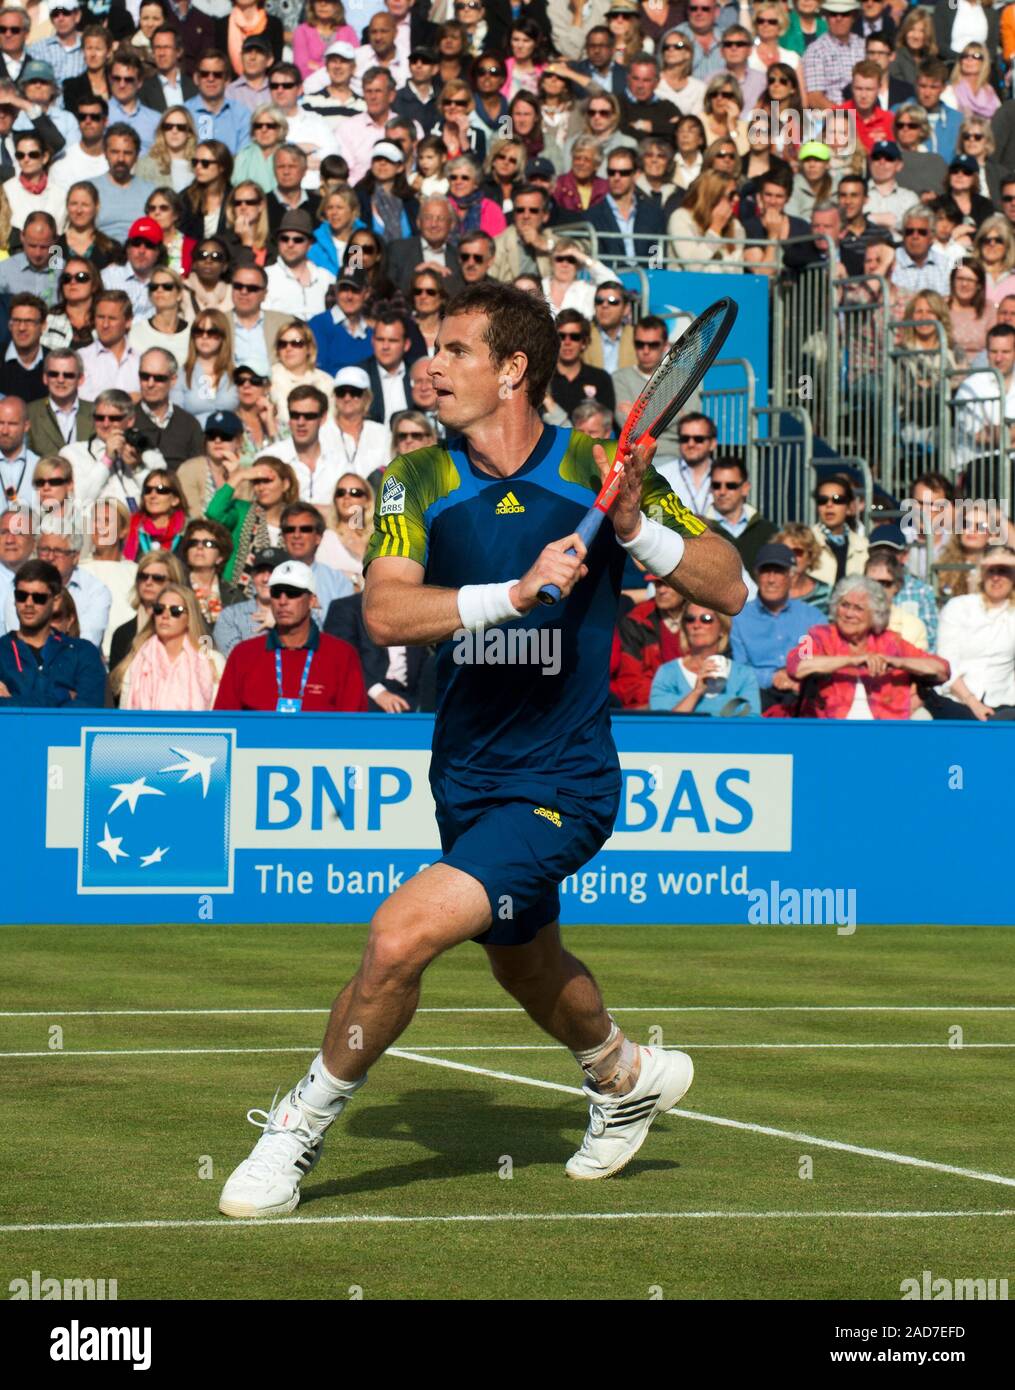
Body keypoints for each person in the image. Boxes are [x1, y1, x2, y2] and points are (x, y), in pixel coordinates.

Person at [217, 280, 745, 1219]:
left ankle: (292, 1132)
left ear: (513, 369)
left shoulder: (599, 464)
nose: (430, 365)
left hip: (565, 781)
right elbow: (384, 610)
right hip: (464, 775)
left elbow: (729, 585)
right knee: (523, 961)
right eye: (432, 348)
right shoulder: (414, 478)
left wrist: (632, 527)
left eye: (454, 350)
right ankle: (624, 1074)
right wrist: (510, 593)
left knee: (397, 937)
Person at [213, 555, 366, 711]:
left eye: (292, 593)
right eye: (276, 593)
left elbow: (354, 726)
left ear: (312, 600)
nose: (283, 601)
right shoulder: (243, 655)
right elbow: (223, 724)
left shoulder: (342, 655)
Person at [785, 575, 948, 718]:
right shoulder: (818, 636)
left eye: (858, 608)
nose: (848, 614)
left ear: (875, 614)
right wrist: (853, 660)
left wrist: (895, 661)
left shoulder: (890, 642)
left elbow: (941, 669)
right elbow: (797, 666)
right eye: (844, 605)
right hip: (831, 728)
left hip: (884, 731)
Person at [731, 542, 825, 710]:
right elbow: (738, 669)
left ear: (792, 577)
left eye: (779, 572)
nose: (771, 579)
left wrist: (799, 678)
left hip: (804, 692)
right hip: (759, 695)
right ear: (757, 575)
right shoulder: (739, 618)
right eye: (766, 571)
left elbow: (823, 659)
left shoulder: (813, 617)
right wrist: (771, 678)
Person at [0, 558, 106, 707]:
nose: (28, 604)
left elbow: (88, 710)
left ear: (55, 601)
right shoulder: (2, 650)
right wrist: (62, 695)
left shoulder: (82, 653)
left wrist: (12, 701)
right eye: (21, 596)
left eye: (39, 598)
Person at [926, 546, 1015, 721]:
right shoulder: (958, 607)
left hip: (1003, 701)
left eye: (1003, 571)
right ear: (982, 574)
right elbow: (947, 664)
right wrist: (972, 702)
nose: (996, 578)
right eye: (991, 571)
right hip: (955, 698)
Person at [113, 581, 224, 709]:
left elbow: (218, 717)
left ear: (190, 617)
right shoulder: (138, 661)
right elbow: (126, 717)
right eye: (159, 609)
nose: (165, 616)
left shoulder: (212, 661)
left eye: (175, 610)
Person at [649, 601, 760, 714]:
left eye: (706, 619)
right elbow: (664, 726)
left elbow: (751, 725)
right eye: (690, 619)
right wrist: (696, 692)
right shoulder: (667, 673)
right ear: (684, 627)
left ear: (722, 628)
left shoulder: (743, 675)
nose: (696, 625)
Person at [207, 454, 299, 581]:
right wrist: (240, 476)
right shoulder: (242, 511)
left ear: (285, 484)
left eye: (267, 481)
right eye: (256, 482)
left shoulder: (296, 521)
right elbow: (213, 512)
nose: (261, 487)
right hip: (238, 594)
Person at [28, 520, 111, 650]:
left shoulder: (95, 591)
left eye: (58, 551)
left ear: (75, 556)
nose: (50, 557)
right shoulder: (22, 588)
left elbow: (87, 643)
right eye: (44, 550)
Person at [611, 580, 685, 709]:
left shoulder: (702, 618)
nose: (661, 590)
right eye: (657, 584)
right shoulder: (636, 621)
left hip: (697, 703)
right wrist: (664, 702)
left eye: (668, 585)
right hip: (650, 708)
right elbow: (630, 681)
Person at [705, 457, 777, 574]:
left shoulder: (769, 532)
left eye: (731, 485)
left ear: (745, 488)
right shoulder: (698, 530)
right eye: (716, 485)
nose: (722, 492)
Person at [212, 543, 284, 655]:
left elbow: (308, 655)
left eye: (273, 571)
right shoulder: (230, 616)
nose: (265, 579)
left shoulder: (303, 615)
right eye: (260, 571)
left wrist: (282, 624)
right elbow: (239, 661)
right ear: (253, 576)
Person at [172, 310, 238, 426]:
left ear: (223, 336)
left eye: (212, 332)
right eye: (199, 331)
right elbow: (176, 419)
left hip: (229, 439)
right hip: (194, 440)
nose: (204, 336)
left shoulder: (235, 375)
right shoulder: (181, 375)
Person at [545, 310, 615, 421]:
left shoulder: (601, 379)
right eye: (561, 336)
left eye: (575, 337)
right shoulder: (543, 379)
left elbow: (604, 426)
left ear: (584, 342)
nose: (567, 342)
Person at [92, 125, 156, 244]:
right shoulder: (90, 190)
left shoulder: (151, 192)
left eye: (127, 153)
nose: (121, 159)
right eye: (115, 152)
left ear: (137, 155)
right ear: (105, 153)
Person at [264, 208, 331, 320]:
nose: (290, 244)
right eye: (284, 239)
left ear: (309, 244)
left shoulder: (326, 278)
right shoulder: (266, 277)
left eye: (298, 240)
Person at [329, 366, 391, 481]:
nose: (347, 398)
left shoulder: (382, 434)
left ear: (367, 397)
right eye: (341, 392)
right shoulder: (322, 433)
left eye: (354, 392)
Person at [27, 349, 94, 456]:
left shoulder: (96, 413)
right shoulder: (29, 413)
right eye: (54, 374)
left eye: (68, 375)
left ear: (80, 379)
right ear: (45, 378)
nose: (61, 380)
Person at [810, 474, 869, 587]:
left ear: (849, 507)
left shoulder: (863, 545)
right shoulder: (805, 541)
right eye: (822, 500)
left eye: (838, 499)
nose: (829, 505)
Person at [123, 466, 187, 559]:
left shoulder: (186, 531)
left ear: (175, 500)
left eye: (161, 490)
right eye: (148, 490)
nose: (153, 495)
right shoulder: (129, 527)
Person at [0, 291, 45, 400]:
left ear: (43, 326)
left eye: (29, 321)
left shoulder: (54, 362)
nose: (22, 328)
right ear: (9, 325)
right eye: (16, 321)